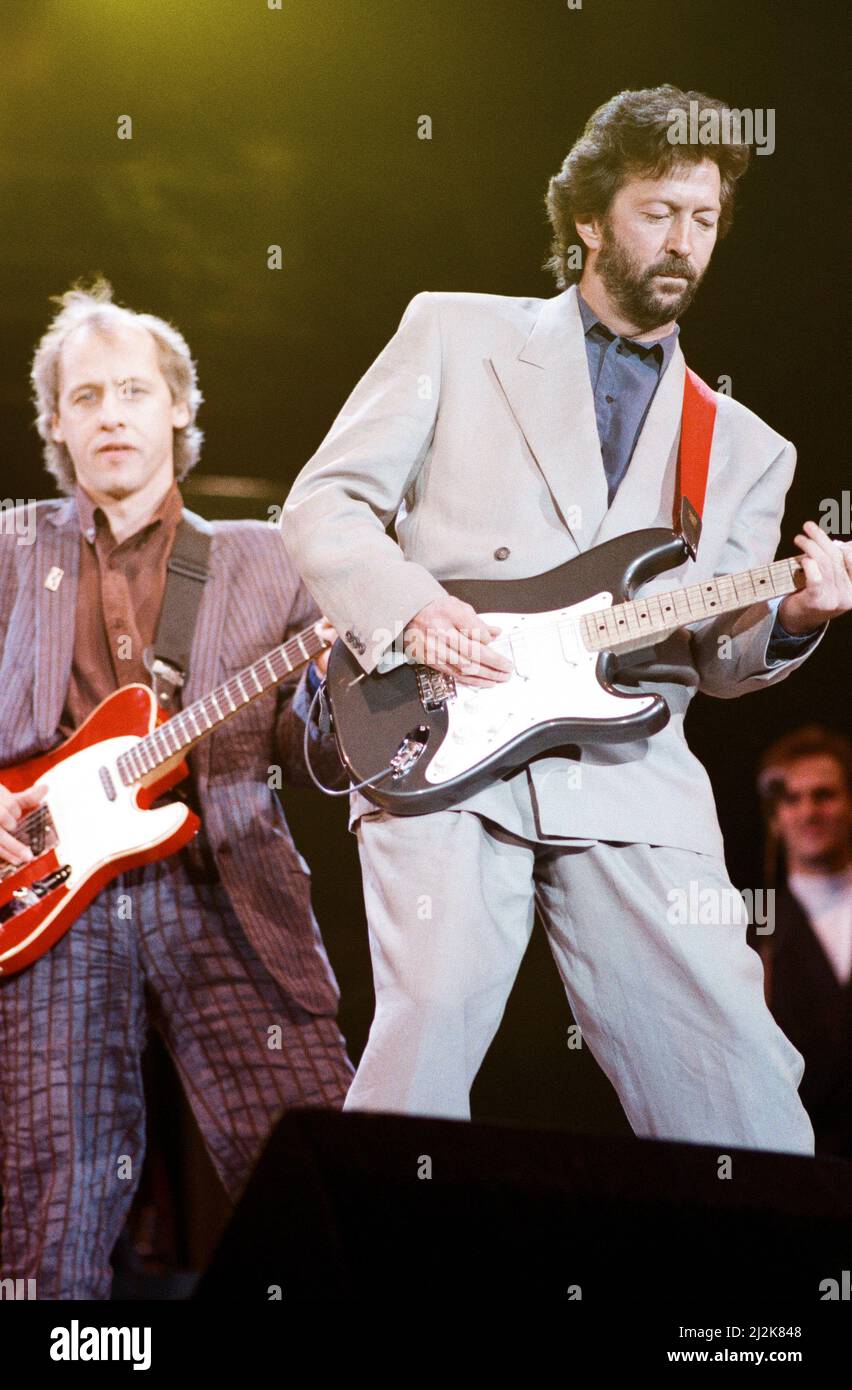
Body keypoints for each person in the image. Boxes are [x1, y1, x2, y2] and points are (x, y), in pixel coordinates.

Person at [280, 85, 852, 1152]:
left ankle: (766, 1325)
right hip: (443, 740)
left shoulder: (743, 445)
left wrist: (796, 615)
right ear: (589, 216)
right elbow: (325, 504)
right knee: (422, 1060)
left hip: (635, 785)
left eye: (705, 219)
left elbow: (722, 658)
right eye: (657, 212)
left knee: (744, 1094)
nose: (684, 241)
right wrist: (410, 609)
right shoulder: (452, 330)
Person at [0, 279, 354, 1298]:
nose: (111, 413)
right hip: (50, 906)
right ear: (58, 424)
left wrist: (347, 698)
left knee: (316, 1170)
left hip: (226, 886)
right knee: (44, 1216)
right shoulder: (14, 547)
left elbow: (318, 754)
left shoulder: (270, 556)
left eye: (134, 391)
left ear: (179, 406)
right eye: (87, 397)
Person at [750, 727, 852, 1159]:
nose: (808, 811)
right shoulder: (750, 930)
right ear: (775, 817)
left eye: (824, 795)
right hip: (796, 1170)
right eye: (791, 799)